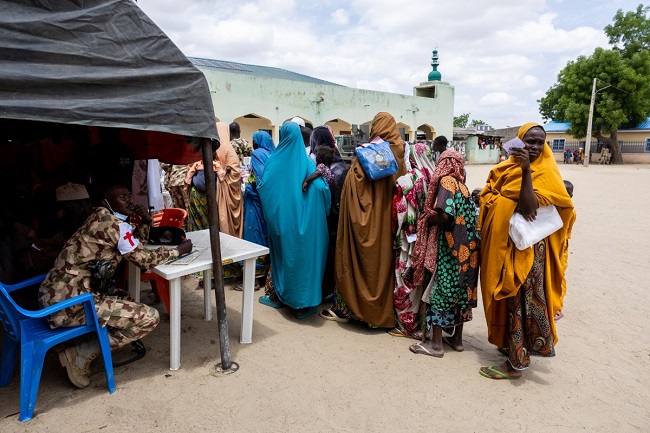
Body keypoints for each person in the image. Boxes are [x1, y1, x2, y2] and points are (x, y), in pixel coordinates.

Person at [38, 184, 192, 388]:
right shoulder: (114, 225)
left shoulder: (101, 217)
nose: (129, 200)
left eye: (129, 195)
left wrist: (145, 221)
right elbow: (143, 259)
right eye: (121, 197)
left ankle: (88, 341)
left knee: (123, 296)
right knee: (149, 318)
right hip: (69, 306)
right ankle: (80, 353)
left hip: (56, 297)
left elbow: (135, 244)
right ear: (106, 202)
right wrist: (178, 251)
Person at [477, 122, 575, 379]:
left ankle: (516, 364)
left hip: (528, 252)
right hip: (508, 244)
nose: (534, 147)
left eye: (540, 142)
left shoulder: (545, 172)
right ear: (519, 142)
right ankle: (510, 347)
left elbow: (529, 207)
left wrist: (525, 172)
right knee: (509, 300)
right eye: (530, 141)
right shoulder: (505, 168)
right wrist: (496, 200)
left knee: (520, 301)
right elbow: (491, 194)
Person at [330, 112, 406, 327]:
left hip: (367, 221)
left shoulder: (367, 154)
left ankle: (359, 310)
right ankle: (384, 313)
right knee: (384, 265)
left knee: (364, 262)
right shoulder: (401, 154)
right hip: (389, 221)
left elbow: (353, 187)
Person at [257, 122, 331, 319]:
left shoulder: (273, 160)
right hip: (306, 223)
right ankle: (302, 306)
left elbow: (264, 188)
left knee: (283, 259)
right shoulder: (306, 163)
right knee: (304, 262)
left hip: (280, 224)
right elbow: (321, 189)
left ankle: (279, 297)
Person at [408, 151, 478, 357]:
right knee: (461, 291)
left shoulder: (447, 182)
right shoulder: (463, 186)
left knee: (441, 290)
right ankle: (457, 340)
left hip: (451, 247)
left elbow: (445, 215)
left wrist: (427, 220)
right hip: (467, 248)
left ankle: (436, 345)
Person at [387, 141, 436, 338]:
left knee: (404, 277)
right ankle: (422, 324)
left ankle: (407, 324)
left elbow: (398, 214)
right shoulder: (435, 179)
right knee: (421, 280)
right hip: (428, 240)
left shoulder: (408, 180)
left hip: (409, 240)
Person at [240, 130, 275, 287]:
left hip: (256, 200)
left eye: (254, 140)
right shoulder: (272, 154)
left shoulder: (257, 154)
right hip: (268, 202)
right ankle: (265, 273)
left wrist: (250, 188)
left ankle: (253, 277)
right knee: (265, 234)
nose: (252, 143)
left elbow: (260, 180)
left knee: (253, 234)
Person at [185, 144, 223, 231]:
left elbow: (221, 175)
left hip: (206, 196)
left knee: (208, 219)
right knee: (203, 220)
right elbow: (190, 173)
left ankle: (205, 235)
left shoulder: (215, 164)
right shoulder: (197, 163)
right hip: (199, 196)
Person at [215, 122, 243, 238]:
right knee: (228, 216)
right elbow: (235, 171)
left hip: (220, 187)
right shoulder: (228, 148)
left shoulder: (215, 148)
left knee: (223, 215)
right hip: (228, 187)